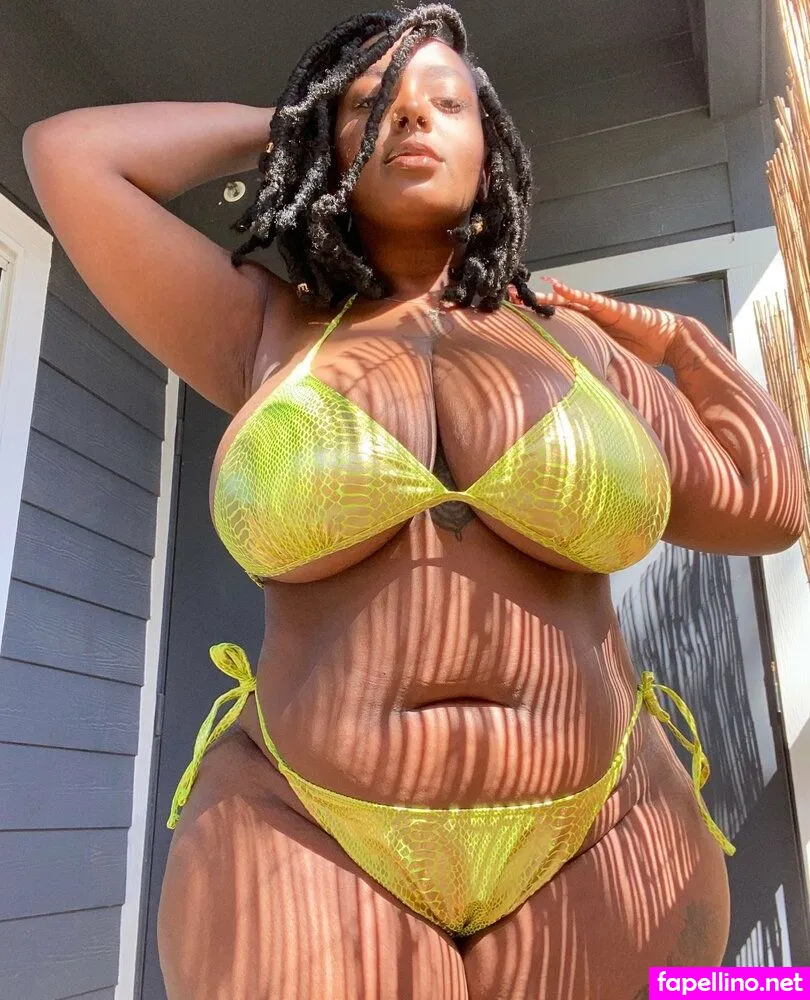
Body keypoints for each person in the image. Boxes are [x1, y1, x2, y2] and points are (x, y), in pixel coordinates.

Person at [22, 5, 805, 998]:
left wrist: (689, 349)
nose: (411, 115)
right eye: (374, 104)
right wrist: (297, 120)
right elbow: (69, 156)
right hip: (304, 824)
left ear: (491, 145)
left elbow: (766, 506)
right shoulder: (266, 329)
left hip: (608, 822)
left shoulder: (579, 349)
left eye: (446, 102)